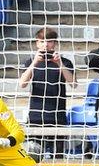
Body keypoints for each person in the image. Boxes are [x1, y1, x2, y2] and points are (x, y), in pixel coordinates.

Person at [19, 27, 75, 158]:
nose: (46, 44)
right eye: (42, 41)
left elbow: (73, 83)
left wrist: (59, 64)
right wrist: (34, 62)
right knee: (34, 156)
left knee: (58, 157)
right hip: (36, 117)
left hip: (57, 116)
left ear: (55, 43)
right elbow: (22, 84)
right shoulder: (30, 62)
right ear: (37, 43)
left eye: (49, 41)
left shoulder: (65, 62)